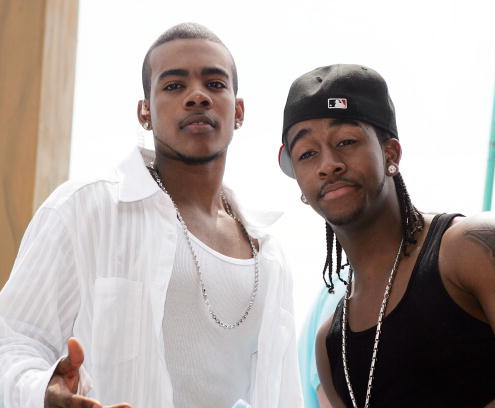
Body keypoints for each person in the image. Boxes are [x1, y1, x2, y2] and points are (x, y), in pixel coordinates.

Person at [0, 23, 302, 408]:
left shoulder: (269, 253)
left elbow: (284, 394)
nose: (197, 96)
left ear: (238, 111)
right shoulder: (84, 210)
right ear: (144, 112)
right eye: (174, 86)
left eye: (214, 84)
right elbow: (13, 339)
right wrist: (42, 392)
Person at [277, 64, 495, 407]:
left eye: (346, 142)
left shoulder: (476, 246)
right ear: (300, 186)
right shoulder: (330, 343)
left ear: (390, 153)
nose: (328, 164)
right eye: (307, 154)